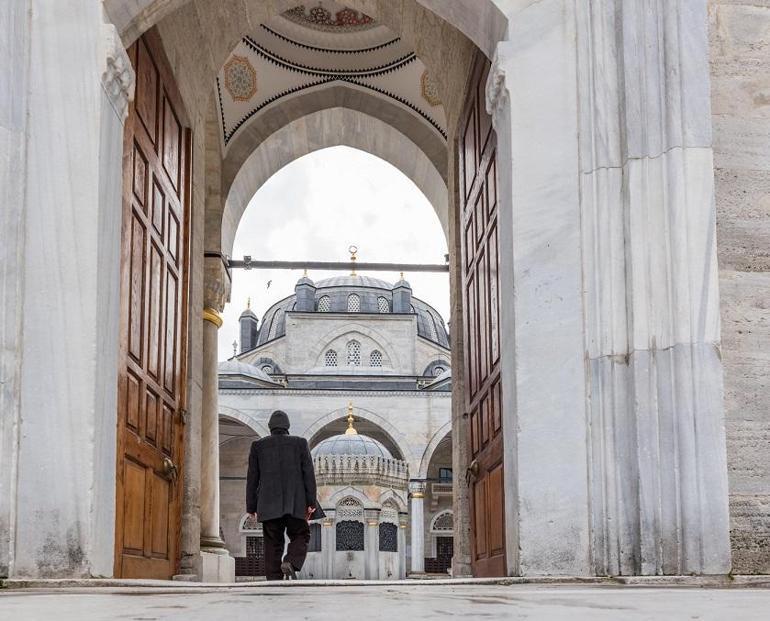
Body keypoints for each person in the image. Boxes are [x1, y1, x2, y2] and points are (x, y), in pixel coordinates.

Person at [246, 410, 320, 580]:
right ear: (287, 426)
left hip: (268, 504)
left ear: (270, 427)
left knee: (273, 542)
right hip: (296, 502)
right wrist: (311, 502)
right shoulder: (300, 443)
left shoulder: (258, 446)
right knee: (301, 534)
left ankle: (273, 579)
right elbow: (308, 474)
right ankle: (291, 561)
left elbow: (252, 478)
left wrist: (251, 506)